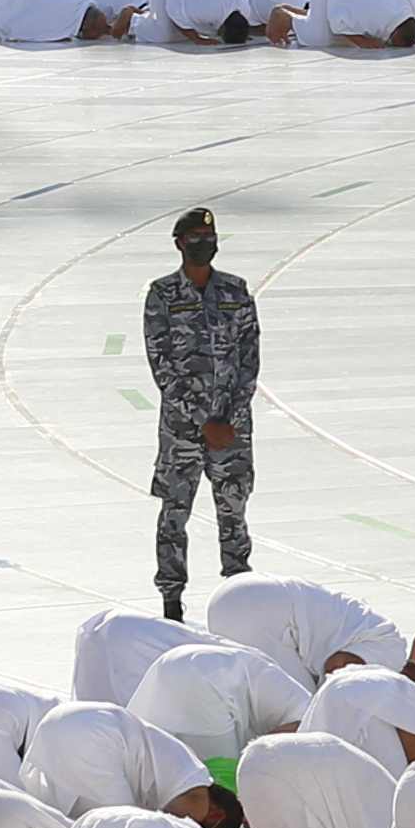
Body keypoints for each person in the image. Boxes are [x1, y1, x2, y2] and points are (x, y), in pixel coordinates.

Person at [145, 207, 259, 623]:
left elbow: (249, 359)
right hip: (182, 430)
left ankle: (239, 594)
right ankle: (172, 602)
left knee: (234, 511)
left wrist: (230, 416)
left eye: (208, 238)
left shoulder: (235, 291)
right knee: (174, 514)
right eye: (194, 238)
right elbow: (162, 366)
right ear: (179, 243)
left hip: (231, 429)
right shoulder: (162, 295)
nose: (203, 244)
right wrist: (202, 421)